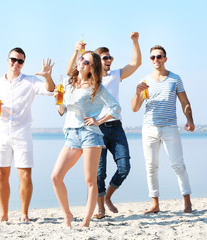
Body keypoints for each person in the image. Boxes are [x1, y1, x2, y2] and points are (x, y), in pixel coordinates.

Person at [66, 32, 141, 219]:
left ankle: (108, 197)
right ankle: (100, 209)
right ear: (97, 61)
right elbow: (70, 73)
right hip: (95, 130)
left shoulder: (116, 75)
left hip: (114, 126)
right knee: (99, 174)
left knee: (124, 167)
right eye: (105, 57)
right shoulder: (90, 80)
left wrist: (135, 41)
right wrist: (77, 53)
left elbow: (136, 63)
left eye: (110, 57)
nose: (109, 60)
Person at [51, 51, 121, 227]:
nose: (81, 62)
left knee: (90, 181)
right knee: (55, 177)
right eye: (81, 59)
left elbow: (115, 107)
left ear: (92, 67)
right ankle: (68, 215)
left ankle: (86, 221)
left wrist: (99, 120)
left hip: (90, 134)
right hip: (71, 134)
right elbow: (62, 112)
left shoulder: (96, 87)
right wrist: (58, 101)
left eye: (86, 61)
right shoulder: (69, 85)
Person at [0, 47, 55, 222]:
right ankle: (3, 215)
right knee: (1, 174)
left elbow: (50, 90)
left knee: (25, 174)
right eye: (13, 59)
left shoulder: (31, 81)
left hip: (22, 133)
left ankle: (24, 214)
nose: (16, 63)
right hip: (1, 133)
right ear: (7, 60)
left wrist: (48, 77)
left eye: (20, 61)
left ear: (23, 63)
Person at [131, 45, 194, 214]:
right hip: (149, 128)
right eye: (152, 57)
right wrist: (137, 93)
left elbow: (184, 102)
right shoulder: (145, 81)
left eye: (159, 56)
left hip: (170, 127)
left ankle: (187, 203)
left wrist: (189, 120)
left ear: (165, 59)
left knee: (178, 165)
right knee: (151, 166)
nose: (156, 60)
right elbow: (135, 108)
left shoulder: (175, 79)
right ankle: (155, 204)